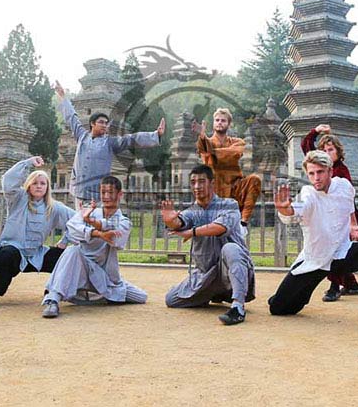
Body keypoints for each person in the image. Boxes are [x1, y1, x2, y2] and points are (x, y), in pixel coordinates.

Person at [268, 150, 358, 328]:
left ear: (330, 172)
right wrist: (284, 209)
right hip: (316, 259)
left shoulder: (344, 186)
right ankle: (288, 294)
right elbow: (297, 211)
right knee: (279, 307)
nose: (316, 178)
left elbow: (349, 208)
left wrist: (353, 226)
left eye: (320, 172)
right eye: (311, 173)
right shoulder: (308, 194)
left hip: (342, 254)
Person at [160, 164, 255, 325]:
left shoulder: (229, 205)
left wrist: (192, 232)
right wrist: (171, 220)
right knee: (171, 299)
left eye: (202, 181)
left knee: (231, 249)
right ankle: (211, 293)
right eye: (193, 182)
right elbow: (179, 222)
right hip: (204, 274)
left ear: (212, 183)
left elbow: (220, 227)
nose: (197, 186)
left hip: (228, 271)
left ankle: (238, 307)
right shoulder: (191, 211)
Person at [41, 176, 147, 318]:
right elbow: (72, 228)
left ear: (120, 195)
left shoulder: (123, 221)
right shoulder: (88, 211)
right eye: (103, 193)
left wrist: (91, 222)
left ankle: (103, 294)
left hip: (104, 275)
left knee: (141, 296)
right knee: (73, 250)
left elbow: (115, 236)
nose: (106, 197)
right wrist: (94, 232)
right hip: (81, 269)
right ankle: (53, 299)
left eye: (110, 193)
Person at [0, 156, 76, 308]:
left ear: (47, 187)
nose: (39, 186)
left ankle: (54, 291)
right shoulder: (18, 198)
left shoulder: (54, 207)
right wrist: (28, 162)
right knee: (7, 254)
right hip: (14, 250)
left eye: (43, 183)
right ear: (28, 185)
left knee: (67, 256)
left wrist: (65, 241)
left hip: (36, 254)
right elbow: (8, 181)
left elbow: (76, 221)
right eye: (35, 183)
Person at [54, 81, 164, 208]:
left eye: (106, 123)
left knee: (95, 224)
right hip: (78, 192)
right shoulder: (82, 136)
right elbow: (72, 118)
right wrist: (63, 96)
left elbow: (131, 139)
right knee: (79, 225)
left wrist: (155, 135)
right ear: (92, 124)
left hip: (97, 196)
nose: (104, 125)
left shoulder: (110, 142)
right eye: (101, 122)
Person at [300, 123, 358, 301]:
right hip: (324, 216)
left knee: (336, 251)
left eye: (330, 150)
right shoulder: (318, 169)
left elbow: (346, 199)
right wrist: (316, 130)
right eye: (323, 150)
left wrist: (352, 224)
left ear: (338, 152)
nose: (327, 153)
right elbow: (306, 145)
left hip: (345, 217)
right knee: (335, 252)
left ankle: (334, 286)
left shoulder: (341, 171)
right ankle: (352, 285)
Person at [193, 108, 261, 230]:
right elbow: (203, 151)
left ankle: (243, 223)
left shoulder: (238, 142)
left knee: (254, 179)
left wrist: (212, 152)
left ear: (229, 124)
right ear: (213, 123)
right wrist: (203, 138)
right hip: (215, 189)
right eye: (217, 120)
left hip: (235, 188)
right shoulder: (206, 142)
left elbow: (235, 152)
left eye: (223, 120)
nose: (219, 122)